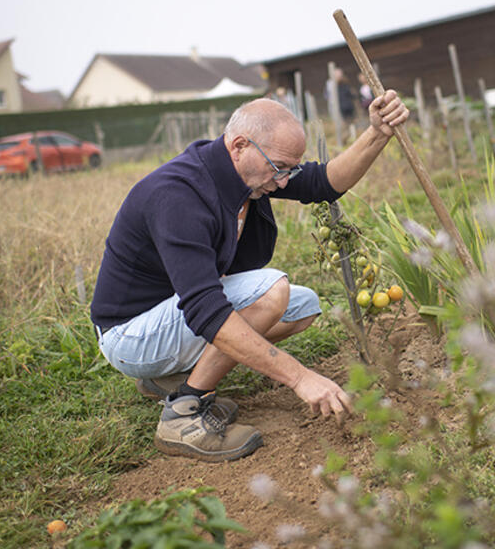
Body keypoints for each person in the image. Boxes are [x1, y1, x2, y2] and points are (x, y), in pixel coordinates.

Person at [90, 91, 409, 462]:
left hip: (171, 317)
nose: (286, 180)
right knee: (271, 292)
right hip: (131, 336)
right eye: (280, 168)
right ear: (240, 145)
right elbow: (206, 309)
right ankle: (184, 410)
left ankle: (173, 375)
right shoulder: (178, 195)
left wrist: (377, 133)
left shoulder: (250, 175)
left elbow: (324, 182)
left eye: (290, 169)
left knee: (302, 305)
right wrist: (300, 377)